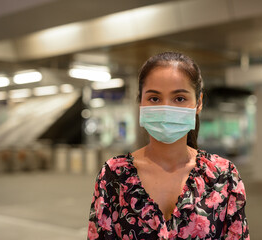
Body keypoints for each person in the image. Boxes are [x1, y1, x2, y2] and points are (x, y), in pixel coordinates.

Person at [87, 52, 249, 240]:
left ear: (199, 103)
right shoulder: (114, 176)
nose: (165, 108)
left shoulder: (223, 177)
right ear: (140, 102)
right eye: (154, 99)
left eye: (179, 98)